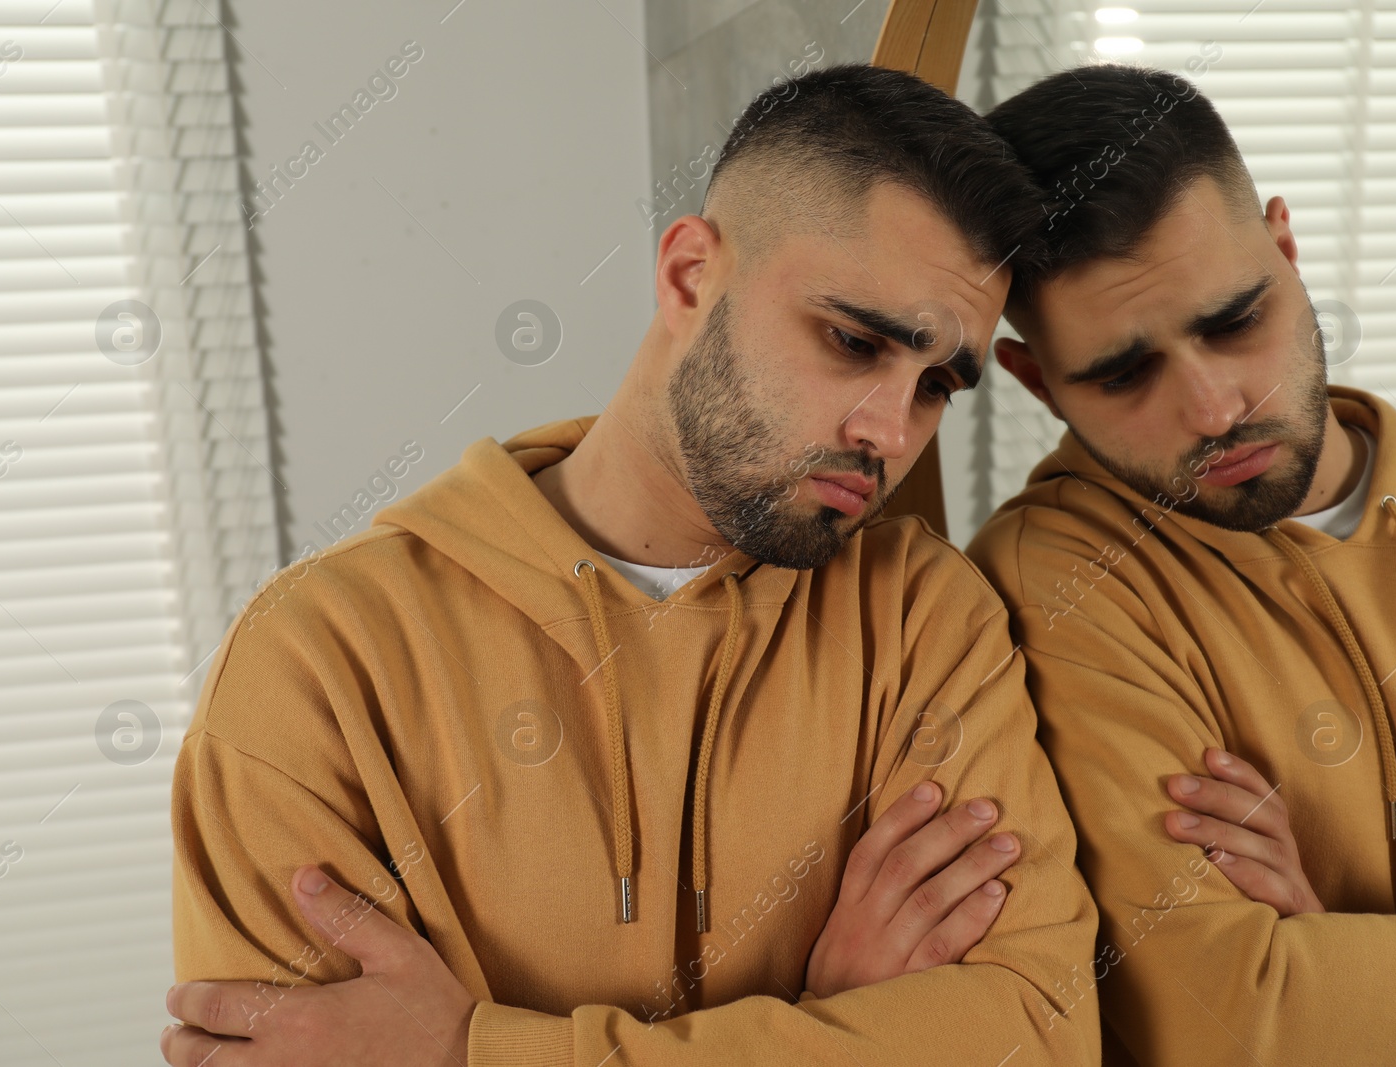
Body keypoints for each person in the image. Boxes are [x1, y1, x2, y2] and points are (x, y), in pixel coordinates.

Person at [161, 63, 1100, 1066]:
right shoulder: (316, 660)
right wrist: (827, 1016)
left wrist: (475, 1050)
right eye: (853, 339)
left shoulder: (923, 619)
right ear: (691, 275)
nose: (888, 430)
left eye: (935, 385)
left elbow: (1036, 1037)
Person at [965, 64, 1396, 1065]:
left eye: (1233, 320)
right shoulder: (1050, 590)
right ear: (1036, 380)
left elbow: (1297, 1017)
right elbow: (1230, 1019)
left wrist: (1330, 952)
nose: (1215, 407)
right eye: (1123, 371)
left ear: (1283, 244)